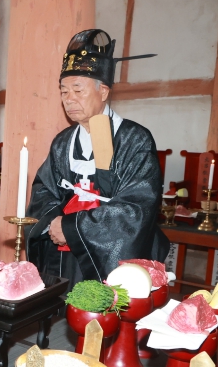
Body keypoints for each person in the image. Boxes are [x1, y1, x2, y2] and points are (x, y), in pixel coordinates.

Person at [26, 29, 169, 286]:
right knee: (62, 299)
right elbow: (43, 190)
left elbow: (136, 208)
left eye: (78, 90)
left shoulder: (135, 139)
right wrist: (55, 223)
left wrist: (73, 228)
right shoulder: (63, 141)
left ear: (103, 92)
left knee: (104, 305)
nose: (69, 100)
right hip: (64, 251)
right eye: (64, 92)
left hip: (109, 254)